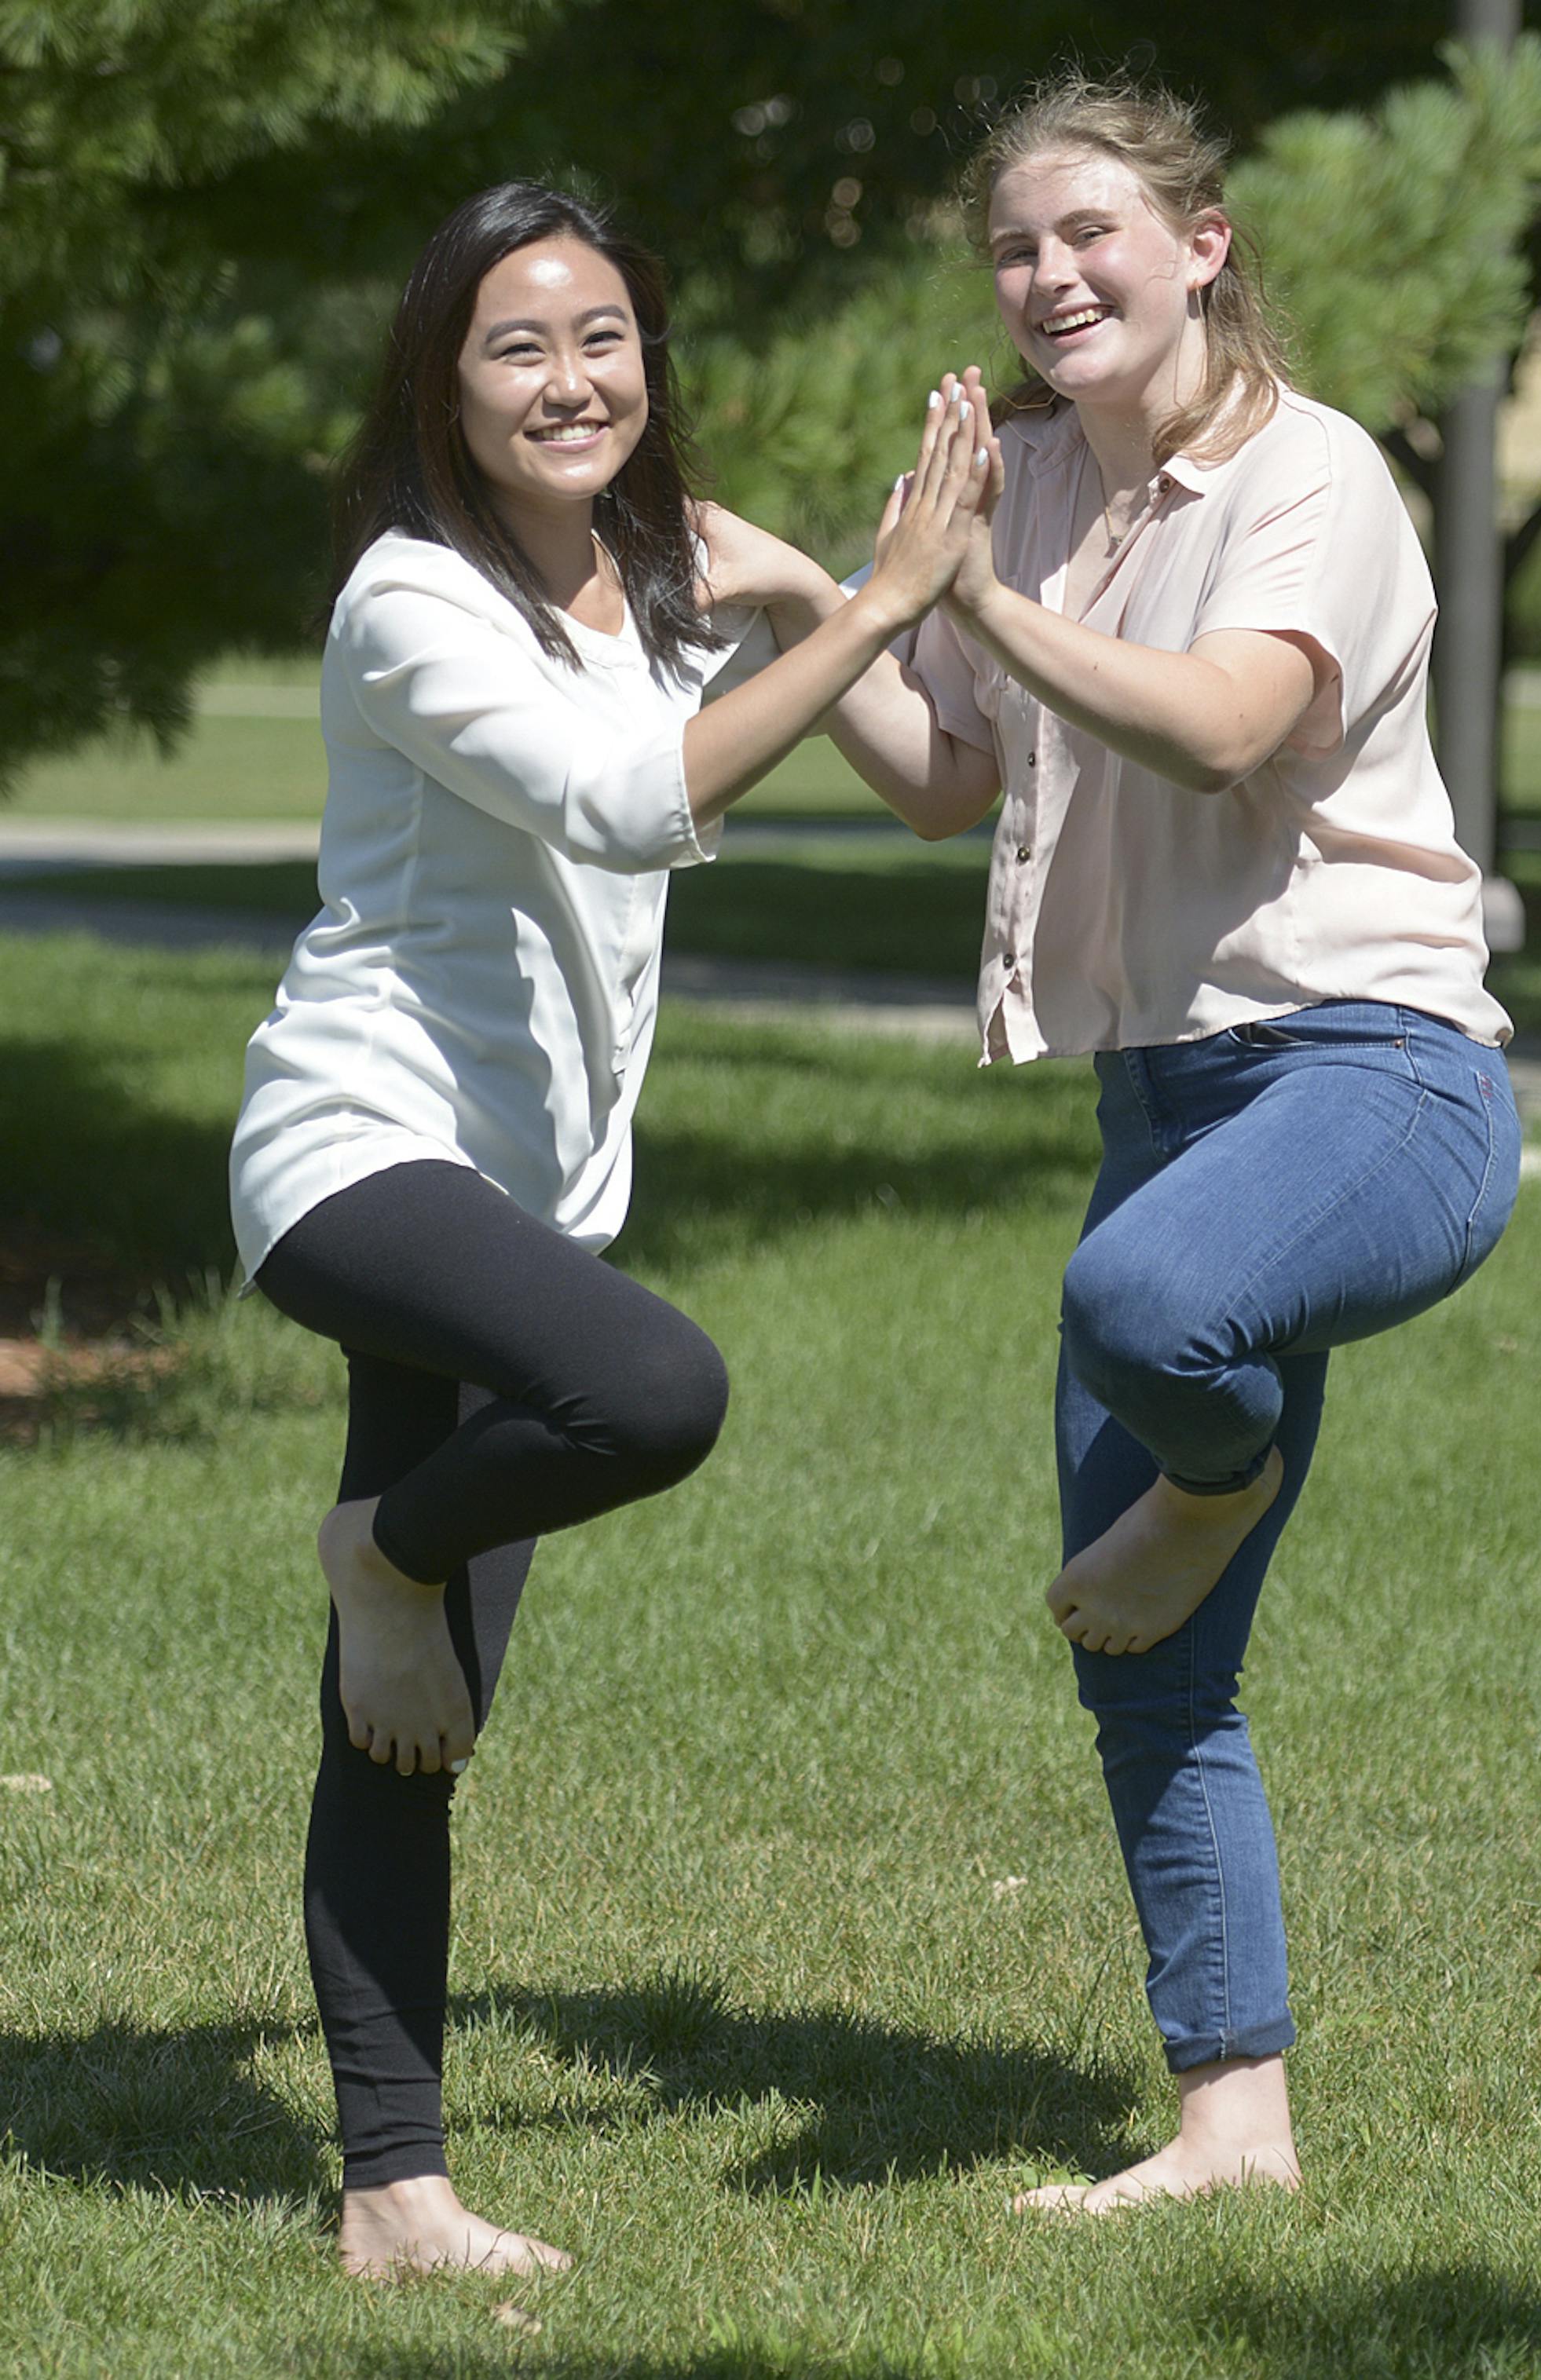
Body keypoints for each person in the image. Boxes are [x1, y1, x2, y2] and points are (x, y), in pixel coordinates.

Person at [760, 75, 1521, 2208]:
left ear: (1200, 243)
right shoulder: (1008, 485)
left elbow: (1229, 720)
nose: (1048, 276)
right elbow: (938, 779)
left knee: (1144, 1307)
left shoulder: (1314, 475)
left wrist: (970, 599)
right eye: (1015, 248)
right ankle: (1232, 2130)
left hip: (1378, 1074)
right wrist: (797, 599)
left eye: (1090, 231)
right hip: (1163, 1093)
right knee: (1148, 1662)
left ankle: (1228, 1460)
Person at [228, 178, 989, 2279]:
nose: (572, 380)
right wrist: (867, 593)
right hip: (359, 1152)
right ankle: (383, 1543)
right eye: (516, 346)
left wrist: (844, 586)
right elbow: (633, 802)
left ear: (648, 362)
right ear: (443, 388)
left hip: (525, 1193)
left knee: (411, 1717)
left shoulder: (659, 580)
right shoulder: (413, 599)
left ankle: (394, 2199)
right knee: (651, 1386)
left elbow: (938, 792)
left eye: (603, 340)